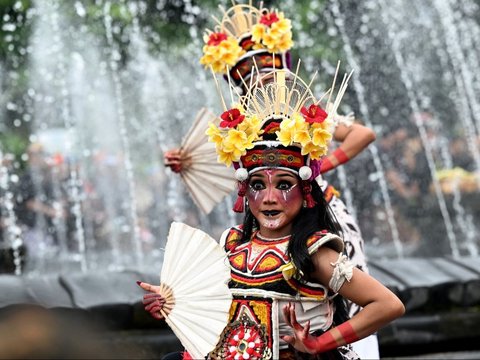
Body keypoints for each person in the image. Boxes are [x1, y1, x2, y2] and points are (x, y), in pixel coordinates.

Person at [139, 69, 404, 359]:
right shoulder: (231, 243)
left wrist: (319, 343)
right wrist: (171, 302)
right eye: (257, 185)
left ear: (305, 192)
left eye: (284, 185)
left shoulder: (312, 252)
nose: (269, 198)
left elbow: (387, 304)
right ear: (243, 191)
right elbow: (216, 306)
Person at [164, 3, 379, 357]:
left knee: (344, 294)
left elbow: (362, 134)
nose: (259, 75)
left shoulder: (305, 108)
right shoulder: (237, 123)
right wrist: (186, 162)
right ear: (236, 79)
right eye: (247, 71)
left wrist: (318, 167)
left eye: (265, 65)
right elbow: (241, 175)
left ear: (280, 65)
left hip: (317, 211)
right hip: (269, 223)